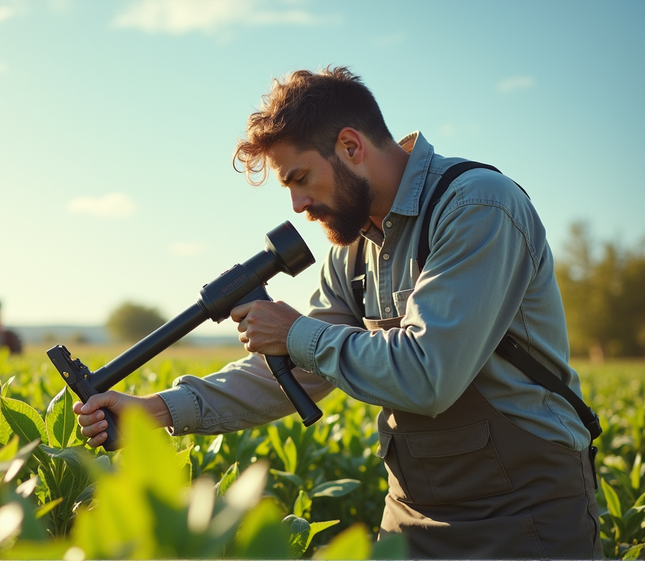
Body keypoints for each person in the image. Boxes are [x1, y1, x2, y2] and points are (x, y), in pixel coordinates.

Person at [74, 66, 602, 559]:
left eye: (300, 178)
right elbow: (298, 366)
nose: (298, 206)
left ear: (350, 146)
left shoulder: (478, 208)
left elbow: (428, 375)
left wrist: (297, 332)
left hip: (525, 511)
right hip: (413, 510)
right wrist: (161, 410)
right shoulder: (351, 252)